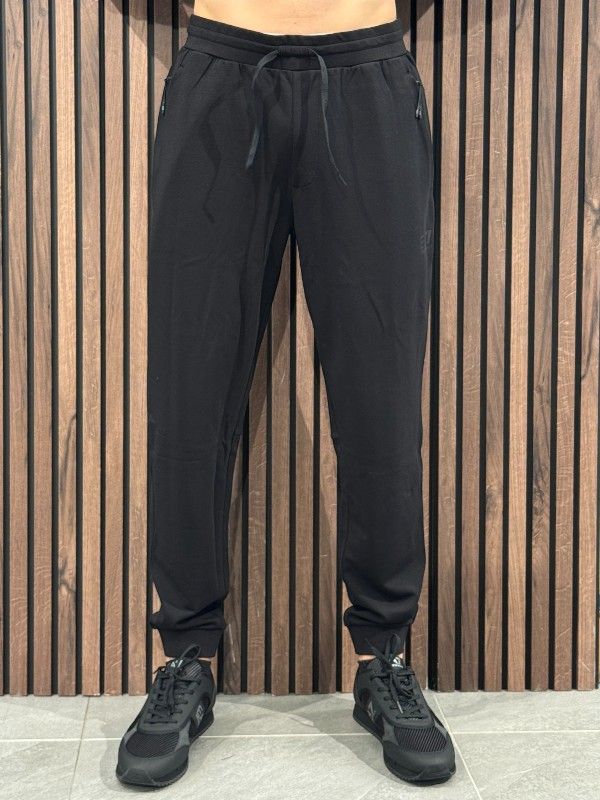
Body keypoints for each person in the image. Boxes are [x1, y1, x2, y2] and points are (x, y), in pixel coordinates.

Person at [116, 0, 455, 788]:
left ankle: (383, 659)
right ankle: (187, 659)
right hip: (220, 72)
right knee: (190, 397)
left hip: (367, 75)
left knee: (380, 401)